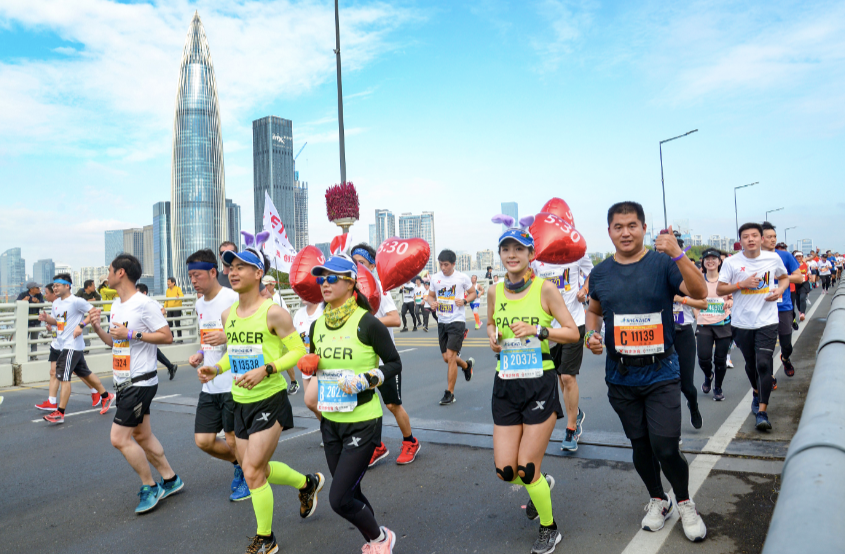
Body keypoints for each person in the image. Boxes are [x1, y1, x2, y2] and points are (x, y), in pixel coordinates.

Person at [586, 202, 708, 541]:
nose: (625, 232)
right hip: (621, 376)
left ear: (643, 228)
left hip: (661, 372)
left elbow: (699, 292)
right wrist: (590, 336)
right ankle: (658, 498)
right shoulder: (600, 272)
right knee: (640, 446)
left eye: (632, 225)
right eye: (618, 226)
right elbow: (594, 310)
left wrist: (679, 253)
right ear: (609, 231)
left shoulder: (663, 263)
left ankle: (684, 502)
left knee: (665, 446)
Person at [197, 234, 323, 554]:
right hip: (240, 403)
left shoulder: (274, 313)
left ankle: (266, 539)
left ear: (258, 274)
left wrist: (267, 369)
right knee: (260, 469)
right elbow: (235, 353)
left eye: (242, 266)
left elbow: (297, 351)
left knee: (251, 471)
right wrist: (217, 369)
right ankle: (306, 484)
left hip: (270, 399)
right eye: (231, 267)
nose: (234, 271)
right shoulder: (228, 316)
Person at [487, 220, 580, 553]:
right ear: (500, 254)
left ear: (530, 253)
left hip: (539, 383)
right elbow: (489, 323)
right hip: (506, 385)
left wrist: (540, 331)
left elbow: (572, 332)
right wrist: (492, 337)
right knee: (506, 471)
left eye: (519, 249)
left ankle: (549, 527)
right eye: (506, 249)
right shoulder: (493, 290)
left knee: (526, 469)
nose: (512, 255)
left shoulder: (545, 289)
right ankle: (541, 486)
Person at [299, 253, 401, 554]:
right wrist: (310, 364)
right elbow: (318, 364)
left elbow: (394, 363)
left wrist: (369, 378)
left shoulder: (368, 323)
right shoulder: (317, 326)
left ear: (350, 282)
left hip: (363, 420)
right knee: (351, 491)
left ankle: (382, 539)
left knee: (338, 498)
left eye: (332, 278)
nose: (324, 284)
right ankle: (374, 537)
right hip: (330, 421)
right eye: (321, 278)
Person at [88, 254, 184, 513]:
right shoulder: (117, 305)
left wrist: (132, 333)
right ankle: (171, 479)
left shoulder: (144, 304)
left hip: (140, 381)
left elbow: (167, 337)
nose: (105, 275)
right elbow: (114, 342)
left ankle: (150, 486)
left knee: (119, 438)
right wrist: (98, 328)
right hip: (123, 380)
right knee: (142, 434)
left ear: (121, 273)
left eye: (109, 270)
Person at [182, 249, 249, 502]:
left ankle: (248, 475)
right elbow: (206, 338)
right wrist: (199, 353)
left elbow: (251, 334)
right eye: (190, 276)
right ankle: (240, 463)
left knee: (232, 437)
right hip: (209, 384)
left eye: (197, 275)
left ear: (213, 272)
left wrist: (227, 336)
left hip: (232, 381)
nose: (193, 281)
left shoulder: (234, 298)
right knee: (204, 441)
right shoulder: (199, 303)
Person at [351, 243, 422, 466]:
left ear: (373, 265)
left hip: (384, 360)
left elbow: (395, 318)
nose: (357, 267)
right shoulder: (352, 290)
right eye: (353, 263)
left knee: (392, 405)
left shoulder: (380, 288)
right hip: (362, 361)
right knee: (366, 406)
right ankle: (377, 446)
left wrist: (367, 323)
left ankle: (410, 442)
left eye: (361, 263)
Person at [717, 223, 789, 431]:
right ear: (740, 240)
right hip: (742, 323)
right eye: (746, 236)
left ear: (762, 239)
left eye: (755, 236)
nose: (750, 239)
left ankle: (762, 411)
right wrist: (741, 284)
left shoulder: (773, 259)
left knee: (764, 364)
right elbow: (721, 288)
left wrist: (780, 290)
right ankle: (756, 392)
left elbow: (783, 278)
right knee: (751, 364)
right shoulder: (731, 262)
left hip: (767, 320)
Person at [531, 252, 593, 451]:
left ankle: (571, 428)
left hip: (574, 322)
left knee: (568, 376)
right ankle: (576, 413)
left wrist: (585, 288)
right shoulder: (537, 257)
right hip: (550, 327)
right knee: (560, 377)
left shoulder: (576, 253)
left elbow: (593, 274)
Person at [37, 276, 114, 421]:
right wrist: (47, 319)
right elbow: (58, 322)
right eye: (54, 286)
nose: (55, 288)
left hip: (71, 345)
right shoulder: (56, 303)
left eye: (58, 285)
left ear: (68, 286)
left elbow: (94, 312)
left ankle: (60, 413)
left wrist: (81, 325)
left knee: (64, 378)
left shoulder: (76, 301)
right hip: (63, 345)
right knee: (85, 373)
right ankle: (106, 396)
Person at [426, 249, 476, 405]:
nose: (443, 268)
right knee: (447, 358)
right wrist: (431, 302)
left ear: (453, 264)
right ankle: (467, 366)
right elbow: (430, 295)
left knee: (452, 357)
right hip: (442, 321)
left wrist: (465, 301)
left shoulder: (462, 278)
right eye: (441, 264)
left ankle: (450, 393)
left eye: (446, 265)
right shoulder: (435, 278)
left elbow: (473, 293)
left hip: (457, 321)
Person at [762, 225, 803, 380]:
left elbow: (799, 277)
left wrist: (780, 277)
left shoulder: (784, 256)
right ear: (761, 238)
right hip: (763, 307)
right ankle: (770, 377)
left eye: (774, 236)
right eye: (769, 236)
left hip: (783, 306)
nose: (773, 239)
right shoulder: (754, 258)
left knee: (786, 345)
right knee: (767, 348)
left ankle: (785, 359)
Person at [696, 249, 733, 401]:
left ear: (719, 262)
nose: (710, 261)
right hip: (704, 324)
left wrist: (730, 302)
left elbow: (731, 297)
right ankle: (708, 375)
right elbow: (693, 298)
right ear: (703, 262)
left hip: (723, 323)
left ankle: (718, 387)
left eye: (714, 258)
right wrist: (696, 314)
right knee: (703, 358)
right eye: (707, 259)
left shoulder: (726, 280)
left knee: (720, 359)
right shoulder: (699, 280)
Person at [260, 275, 299, 394]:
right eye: (263, 285)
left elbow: (285, 315)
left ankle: (293, 382)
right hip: (270, 333)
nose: (264, 287)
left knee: (285, 358)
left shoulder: (277, 298)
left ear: (273, 285)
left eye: (266, 285)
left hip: (279, 335)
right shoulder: (264, 297)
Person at [136, 283, 178, 379]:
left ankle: (165, 368)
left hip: (149, 332)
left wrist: (154, 318)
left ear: (144, 293)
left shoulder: (151, 302)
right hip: (141, 334)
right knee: (154, 351)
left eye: (138, 292)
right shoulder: (136, 304)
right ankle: (170, 366)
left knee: (153, 351)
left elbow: (163, 310)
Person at [294, 300, 324, 420]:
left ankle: (334, 429)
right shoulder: (299, 314)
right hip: (306, 365)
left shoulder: (323, 309)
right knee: (312, 405)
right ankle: (327, 432)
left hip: (322, 365)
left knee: (312, 401)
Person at [17, 281, 44, 359]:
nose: (39, 289)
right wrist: (23, 301)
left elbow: (43, 305)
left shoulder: (39, 296)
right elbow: (16, 304)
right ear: (31, 289)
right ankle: (22, 356)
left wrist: (38, 302)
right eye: (37, 288)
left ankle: (33, 356)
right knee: (23, 339)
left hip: (36, 321)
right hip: (25, 321)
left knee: (34, 340)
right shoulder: (23, 295)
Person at [792, 251, 809, 322]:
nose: (799, 258)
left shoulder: (806, 264)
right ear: (795, 257)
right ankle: (799, 311)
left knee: (802, 298)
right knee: (797, 300)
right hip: (795, 284)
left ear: (802, 257)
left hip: (804, 283)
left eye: (800, 256)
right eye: (797, 256)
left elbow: (808, 272)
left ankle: (802, 313)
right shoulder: (793, 265)